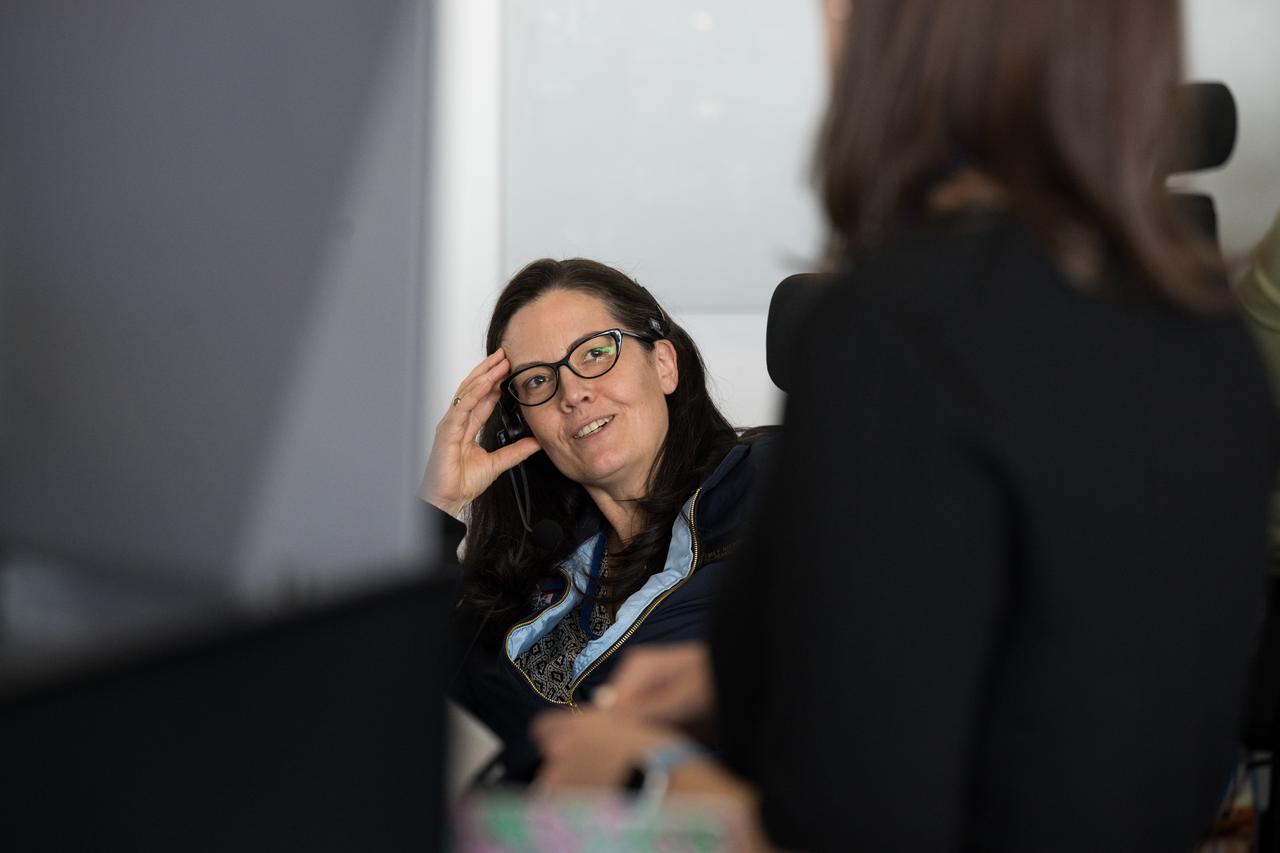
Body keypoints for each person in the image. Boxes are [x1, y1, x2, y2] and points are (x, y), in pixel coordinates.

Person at [532, 2, 1277, 850]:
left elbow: (855, 825)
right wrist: (736, 678)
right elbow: (1058, 675)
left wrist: (640, 772)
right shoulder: (1204, 329)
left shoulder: (901, 333)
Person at [423, 257, 771, 783]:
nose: (573, 393)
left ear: (664, 365)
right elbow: (404, 683)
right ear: (523, 421)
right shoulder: (533, 570)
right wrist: (438, 504)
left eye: (595, 352)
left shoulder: (775, 485)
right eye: (538, 380)